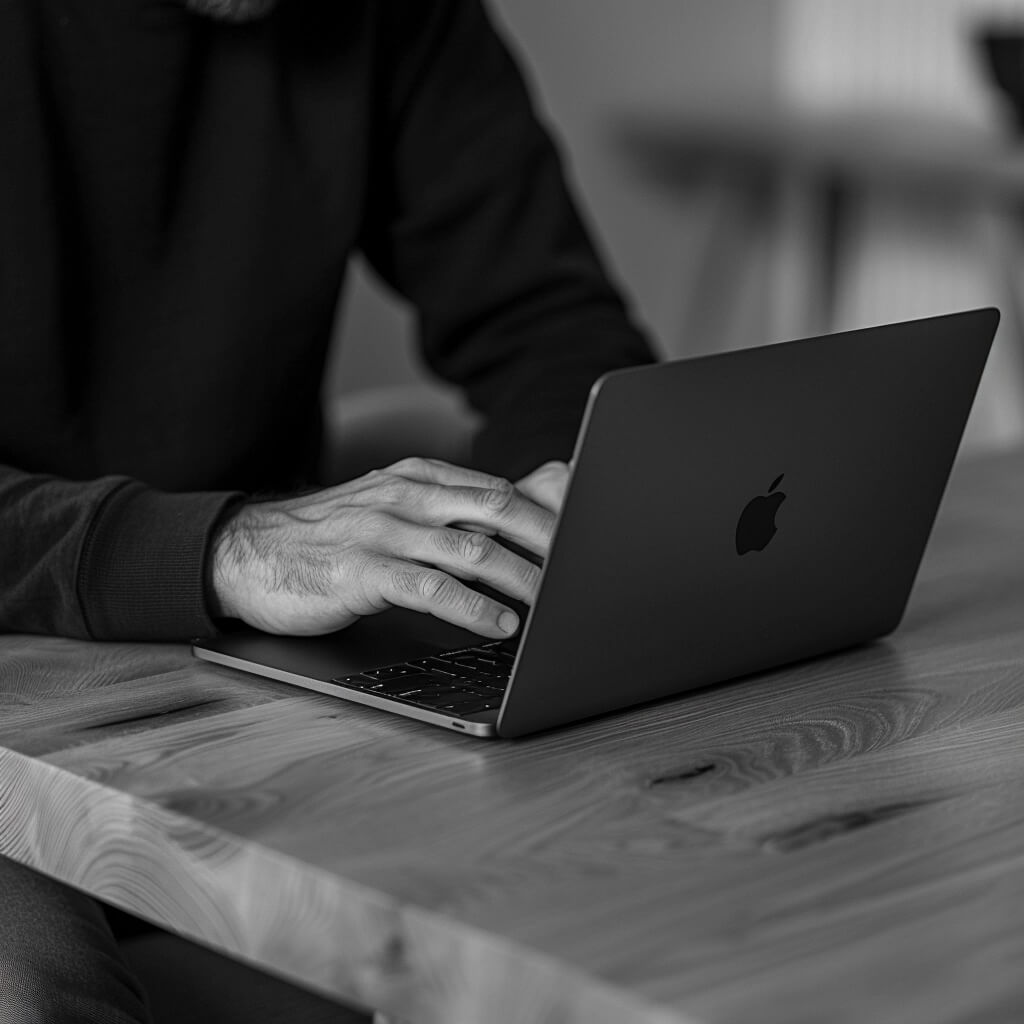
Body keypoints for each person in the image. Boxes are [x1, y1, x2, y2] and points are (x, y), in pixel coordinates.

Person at [0, 0, 654, 1019]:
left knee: (599, 890)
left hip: (229, 683)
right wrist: (224, 548)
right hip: (106, 648)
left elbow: (547, 323)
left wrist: (557, 497)